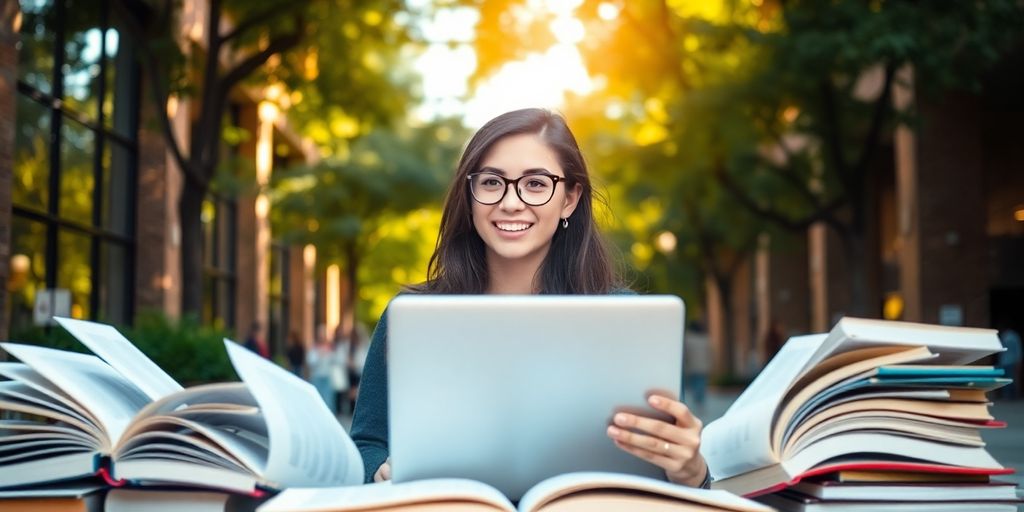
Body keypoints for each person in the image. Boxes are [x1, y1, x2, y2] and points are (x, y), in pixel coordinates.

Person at [350, 108, 710, 488]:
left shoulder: (632, 323)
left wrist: (691, 470)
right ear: (469, 195)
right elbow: (367, 445)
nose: (510, 202)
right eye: (491, 182)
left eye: (536, 184)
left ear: (570, 199)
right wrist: (378, 468)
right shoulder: (411, 318)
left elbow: (672, 470)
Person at [307, 325, 338, 414]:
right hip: (317, 376)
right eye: (321, 334)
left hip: (328, 376)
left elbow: (336, 360)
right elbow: (310, 361)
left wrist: (329, 354)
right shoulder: (314, 347)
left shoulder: (331, 347)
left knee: (328, 401)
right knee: (317, 400)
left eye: (324, 334)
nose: (322, 336)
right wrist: (319, 355)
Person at [684, 321, 711, 411]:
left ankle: (697, 402)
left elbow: (685, 354)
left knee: (695, 384)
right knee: (701, 384)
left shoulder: (688, 339)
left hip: (692, 366)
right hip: (703, 366)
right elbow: (710, 353)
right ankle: (700, 403)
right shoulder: (705, 339)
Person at [997, 327, 1022, 399]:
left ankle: (1010, 395)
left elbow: (1000, 350)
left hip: (1007, 361)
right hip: (1009, 361)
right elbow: (1018, 350)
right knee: (1010, 378)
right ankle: (1009, 395)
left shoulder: (1006, 336)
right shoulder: (1013, 336)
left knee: (1008, 378)